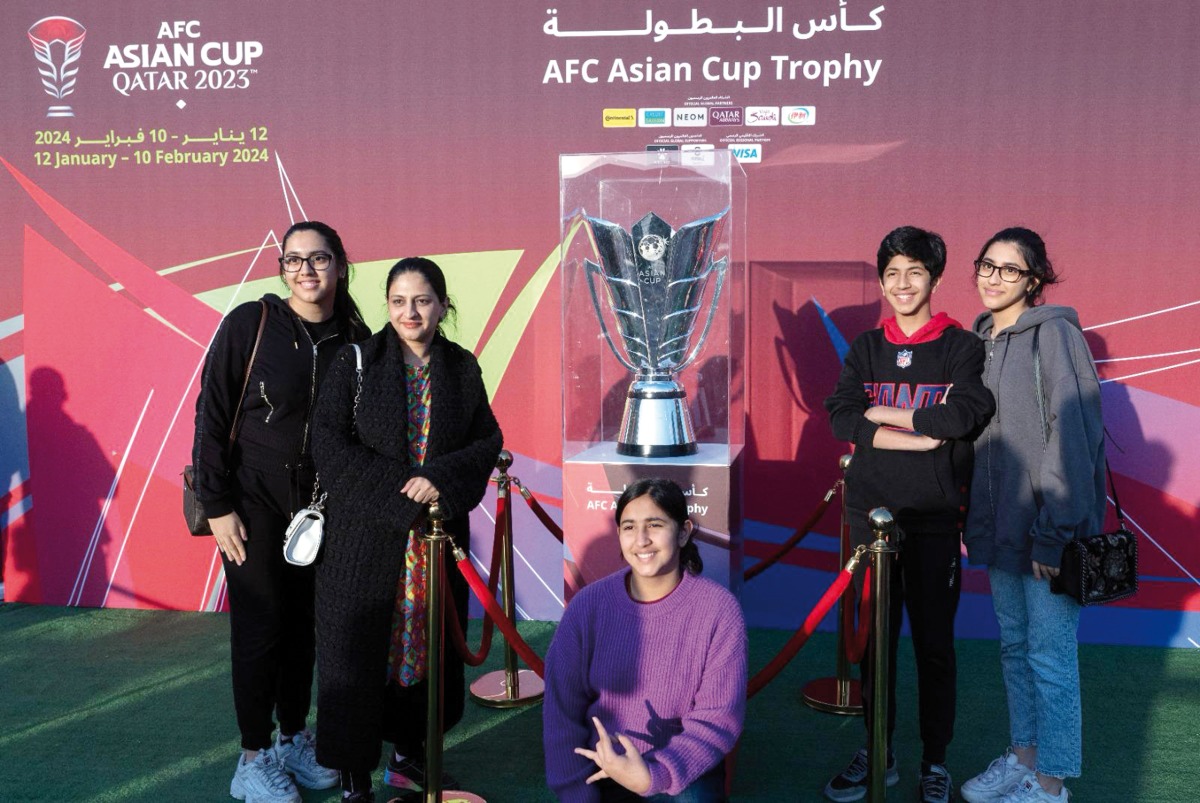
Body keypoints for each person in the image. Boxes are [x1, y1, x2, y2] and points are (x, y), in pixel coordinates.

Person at [310, 257, 503, 803]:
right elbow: (328, 444)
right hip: (363, 541)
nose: (409, 312)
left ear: (443, 306)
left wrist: (439, 479)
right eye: (398, 301)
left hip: (435, 542)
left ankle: (408, 759)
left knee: (422, 651)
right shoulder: (355, 362)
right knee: (354, 658)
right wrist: (403, 491)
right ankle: (354, 778)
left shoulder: (462, 367)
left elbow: (487, 440)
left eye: (421, 300)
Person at [192, 221, 370, 803]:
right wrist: (217, 506)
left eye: (318, 259)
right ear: (281, 268)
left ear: (339, 265)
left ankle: (293, 738)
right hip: (251, 500)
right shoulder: (252, 323)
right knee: (261, 625)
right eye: (294, 260)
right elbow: (212, 413)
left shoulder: (356, 336)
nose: (305, 270)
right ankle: (252, 757)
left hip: (322, 506)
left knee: (303, 626)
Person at [823, 226, 995, 803]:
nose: (903, 283)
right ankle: (879, 750)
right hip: (870, 519)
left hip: (933, 520)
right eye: (892, 273)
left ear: (935, 279)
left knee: (934, 646)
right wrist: (917, 436)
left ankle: (934, 761)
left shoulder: (961, 347)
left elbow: (963, 415)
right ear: (881, 282)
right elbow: (842, 416)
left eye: (915, 272)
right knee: (875, 646)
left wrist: (885, 415)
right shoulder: (866, 347)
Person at [958, 228, 1105, 803]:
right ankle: (1023, 758)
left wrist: (1054, 534)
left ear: (1035, 279)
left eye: (1009, 269)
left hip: (1049, 535)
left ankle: (1051, 783)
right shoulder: (980, 340)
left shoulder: (1056, 335)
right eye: (986, 265)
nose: (993, 278)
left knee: (1049, 657)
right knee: (1015, 649)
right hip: (1000, 531)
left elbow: (1073, 435)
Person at [543, 477, 748, 803]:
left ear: (683, 532)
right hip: (605, 770)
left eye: (654, 525)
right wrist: (577, 793)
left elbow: (717, 719)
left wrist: (655, 776)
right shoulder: (587, 606)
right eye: (629, 527)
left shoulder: (719, 610)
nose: (641, 540)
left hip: (682, 769)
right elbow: (561, 713)